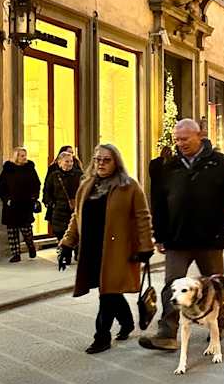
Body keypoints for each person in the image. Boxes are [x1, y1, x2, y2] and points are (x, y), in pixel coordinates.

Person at [139, 118, 224, 351]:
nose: (180, 143)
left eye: (185, 139)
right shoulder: (169, 165)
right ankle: (168, 332)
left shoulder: (219, 164)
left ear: (199, 136)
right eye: (177, 139)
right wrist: (160, 235)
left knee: (214, 284)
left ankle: (218, 323)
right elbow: (159, 203)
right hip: (177, 237)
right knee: (172, 285)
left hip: (209, 238)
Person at [57, 144, 153, 354]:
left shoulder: (129, 186)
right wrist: (66, 244)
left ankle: (102, 336)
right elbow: (77, 218)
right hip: (92, 248)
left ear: (116, 162)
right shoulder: (86, 184)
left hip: (118, 250)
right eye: (97, 159)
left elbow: (143, 217)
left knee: (107, 294)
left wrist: (146, 246)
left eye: (106, 160)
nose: (100, 163)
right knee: (108, 290)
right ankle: (127, 322)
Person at [0, 147, 41, 262]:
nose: (24, 158)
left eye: (25, 155)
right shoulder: (8, 169)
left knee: (26, 229)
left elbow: (36, 184)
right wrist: (6, 199)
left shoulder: (29, 168)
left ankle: (31, 246)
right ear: (16, 156)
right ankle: (16, 254)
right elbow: (1, 187)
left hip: (26, 203)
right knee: (12, 230)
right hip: (11, 205)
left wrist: (34, 197)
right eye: (22, 155)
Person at [43, 148, 81, 243]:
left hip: (74, 210)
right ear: (60, 162)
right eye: (67, 161)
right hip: (58, 211)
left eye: (71, 161)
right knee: (60, 233)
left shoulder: (79, 175)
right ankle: (65, 254)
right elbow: (47, 191)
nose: (69, 164)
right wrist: (51, 204)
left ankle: (76, 252)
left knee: (76, 232)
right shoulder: (54, 176)